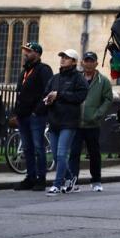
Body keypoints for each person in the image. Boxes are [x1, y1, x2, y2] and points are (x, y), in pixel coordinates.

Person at [43, 49, 89, 195]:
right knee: (56, 156)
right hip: (54, 120)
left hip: (69, 122)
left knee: (62, 154)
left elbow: (81, 96)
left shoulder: (78, 78)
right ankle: (70, 179)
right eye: (62, 57)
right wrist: (47, 99)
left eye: (67, 57)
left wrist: (60, 95)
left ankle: (57, 184)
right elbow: (47, 92)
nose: (63, 59)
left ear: (74, 61)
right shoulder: (55, 78)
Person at [67, 51, 114, 192]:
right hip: (76, 123)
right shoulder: (75, 78)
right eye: (86, 60)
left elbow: (108, 99)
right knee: (74, 153)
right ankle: (72, 180)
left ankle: (96, 181)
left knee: (94, 153)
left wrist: (98, 114)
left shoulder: (103, 81)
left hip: (92, 123)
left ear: (96, 63)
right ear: (82, 63)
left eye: (91, 61)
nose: (88, 63)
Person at [13, 41, 53, 191]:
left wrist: (38, 110)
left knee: (38, 147)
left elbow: (48, 90)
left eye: (29, 51)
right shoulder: (24, 72)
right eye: (25, 51)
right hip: (23, 115)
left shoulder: (43, 69)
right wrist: (16, 112)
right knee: (27, 148)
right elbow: (19, 94)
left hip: (36, 116)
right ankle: (30, 176)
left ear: (37, 54)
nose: (25, 54)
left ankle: (41, 178)